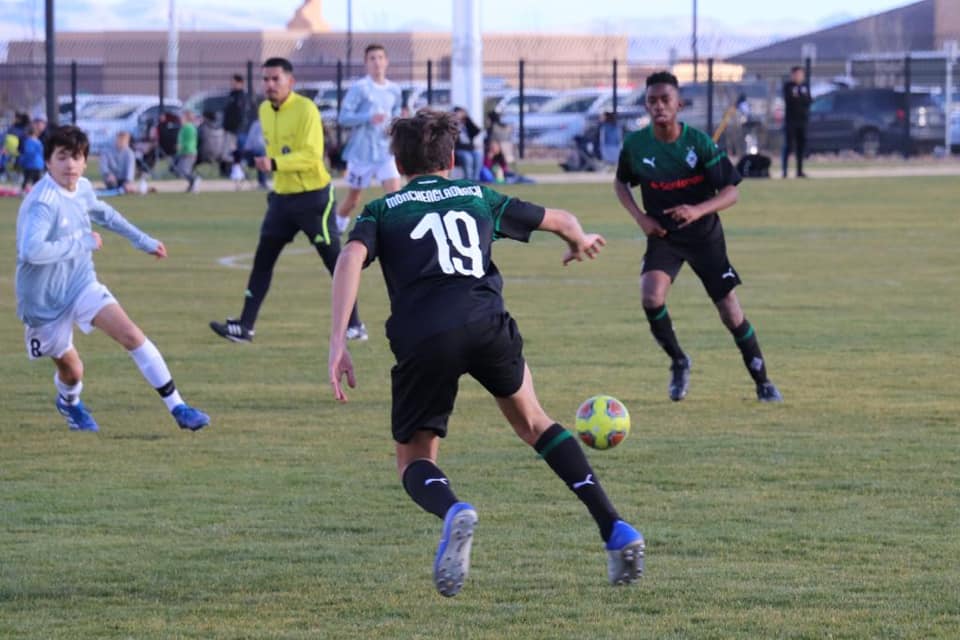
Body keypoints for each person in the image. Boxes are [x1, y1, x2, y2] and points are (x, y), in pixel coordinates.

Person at [328, 109, 645, 598]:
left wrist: (337, 343)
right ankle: (615, 528)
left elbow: (350, 258)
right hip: (486, 324)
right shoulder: (478, 195)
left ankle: (453, 509)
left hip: (424, 336)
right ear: (452, 157)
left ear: (398, 159)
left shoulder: (383, 210)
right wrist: (579, 239)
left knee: (414, 459)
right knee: (535, 423)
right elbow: (559, 219)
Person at [15, 125, 209, 433]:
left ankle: (179, 407)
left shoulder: (82, 188)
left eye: (77, 157)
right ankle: (69, 402)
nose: (71, 165)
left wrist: (143, 240)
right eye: (62, 157)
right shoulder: (43, 202)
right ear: (48, 162)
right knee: (72, 370)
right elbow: (31, 251)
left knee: (131, 334)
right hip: (44, 301)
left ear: (85, 160)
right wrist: (83, 243)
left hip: (81, 284)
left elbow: (105, 214)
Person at [613, 71, 783, 403]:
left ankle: (762, 381)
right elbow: (621, 183)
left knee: (730, 312)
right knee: (651, 296)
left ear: (679, 104)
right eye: (652, 101)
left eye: (665, 100)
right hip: (664, 235)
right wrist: (640, 218)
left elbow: (731, 192)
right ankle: (679, 361)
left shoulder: (698, 142)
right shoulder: (636, 145)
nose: (659, 106)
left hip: (705, 237)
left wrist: (697, 210)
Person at [210, 57, 366, 343]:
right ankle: (245, 326)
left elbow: (311, 155)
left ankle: (354, 325)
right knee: (263, 260)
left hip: (314, 198)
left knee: (335, 261)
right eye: (266, 79)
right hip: (282, 199)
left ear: (290, 82)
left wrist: (275, 163)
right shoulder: (264, 110)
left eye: (275, 79)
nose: (269, 85)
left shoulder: (306, 109)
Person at [336, 43, 403, 234]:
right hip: (362, 153)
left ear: (386, 61)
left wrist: (395, 125)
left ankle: (397, 233)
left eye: (380, 58)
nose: (377, 62)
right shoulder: (360, 88)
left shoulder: (394, 90)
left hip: (385, 151)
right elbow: (344, 118)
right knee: (353, 200)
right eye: (372, 58)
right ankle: (336, 227)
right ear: (366, 63)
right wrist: (368, 118)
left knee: (396, 197)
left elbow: (396, 112)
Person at [782, 66, 811, 178]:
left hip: (802, 121)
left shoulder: (805, 86)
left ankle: (799, 171)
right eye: (797, 74)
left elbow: (808, 100)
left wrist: (799, 96)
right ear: (793, 75)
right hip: (791, 122)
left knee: (801, 146)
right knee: (788, 146)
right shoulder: (788, 86)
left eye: (801, 74)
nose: (799, 77)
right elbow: (789, 100)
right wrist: (798, 97)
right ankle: (784, 171)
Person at [222, 73, 250, 177]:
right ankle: (236, 169)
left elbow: (240, 114)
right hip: (229, 129)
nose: (232, 84)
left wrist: (236, 127)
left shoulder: (241, 96)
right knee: (229, 152)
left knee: (236, 150)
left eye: (234, 82)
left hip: (237, 129)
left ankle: (238, 170)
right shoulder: (232, 95)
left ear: (240, 83)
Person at [452, 106, 483, 181]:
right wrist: (456, 121)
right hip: (459, 150)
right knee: (467, 157)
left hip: (470, 149)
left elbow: (477, 131)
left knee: (478, 155)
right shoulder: (453, 125)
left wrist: (467, 119)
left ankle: (475, 180)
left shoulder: (467, 124)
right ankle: (468, 180)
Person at [173, 109, 200, 193]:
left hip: (189, 152)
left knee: (184, 170)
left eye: (182, 117)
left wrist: (181, 146)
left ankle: (195, 180)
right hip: (184, 152)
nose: (180, 119)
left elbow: (189, 141)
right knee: (180, 170)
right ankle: (192, 183)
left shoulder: (189, 127)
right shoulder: (184, 128)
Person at [19, 124, 45, 192]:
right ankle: (36, 192)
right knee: (36, 181)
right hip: (38, 165)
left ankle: (23, 191)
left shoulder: (28, 141)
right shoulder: (39, 142)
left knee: (27, 179)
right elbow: (42, 153)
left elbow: (28, 153)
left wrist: (22, 161)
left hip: (30, 165)